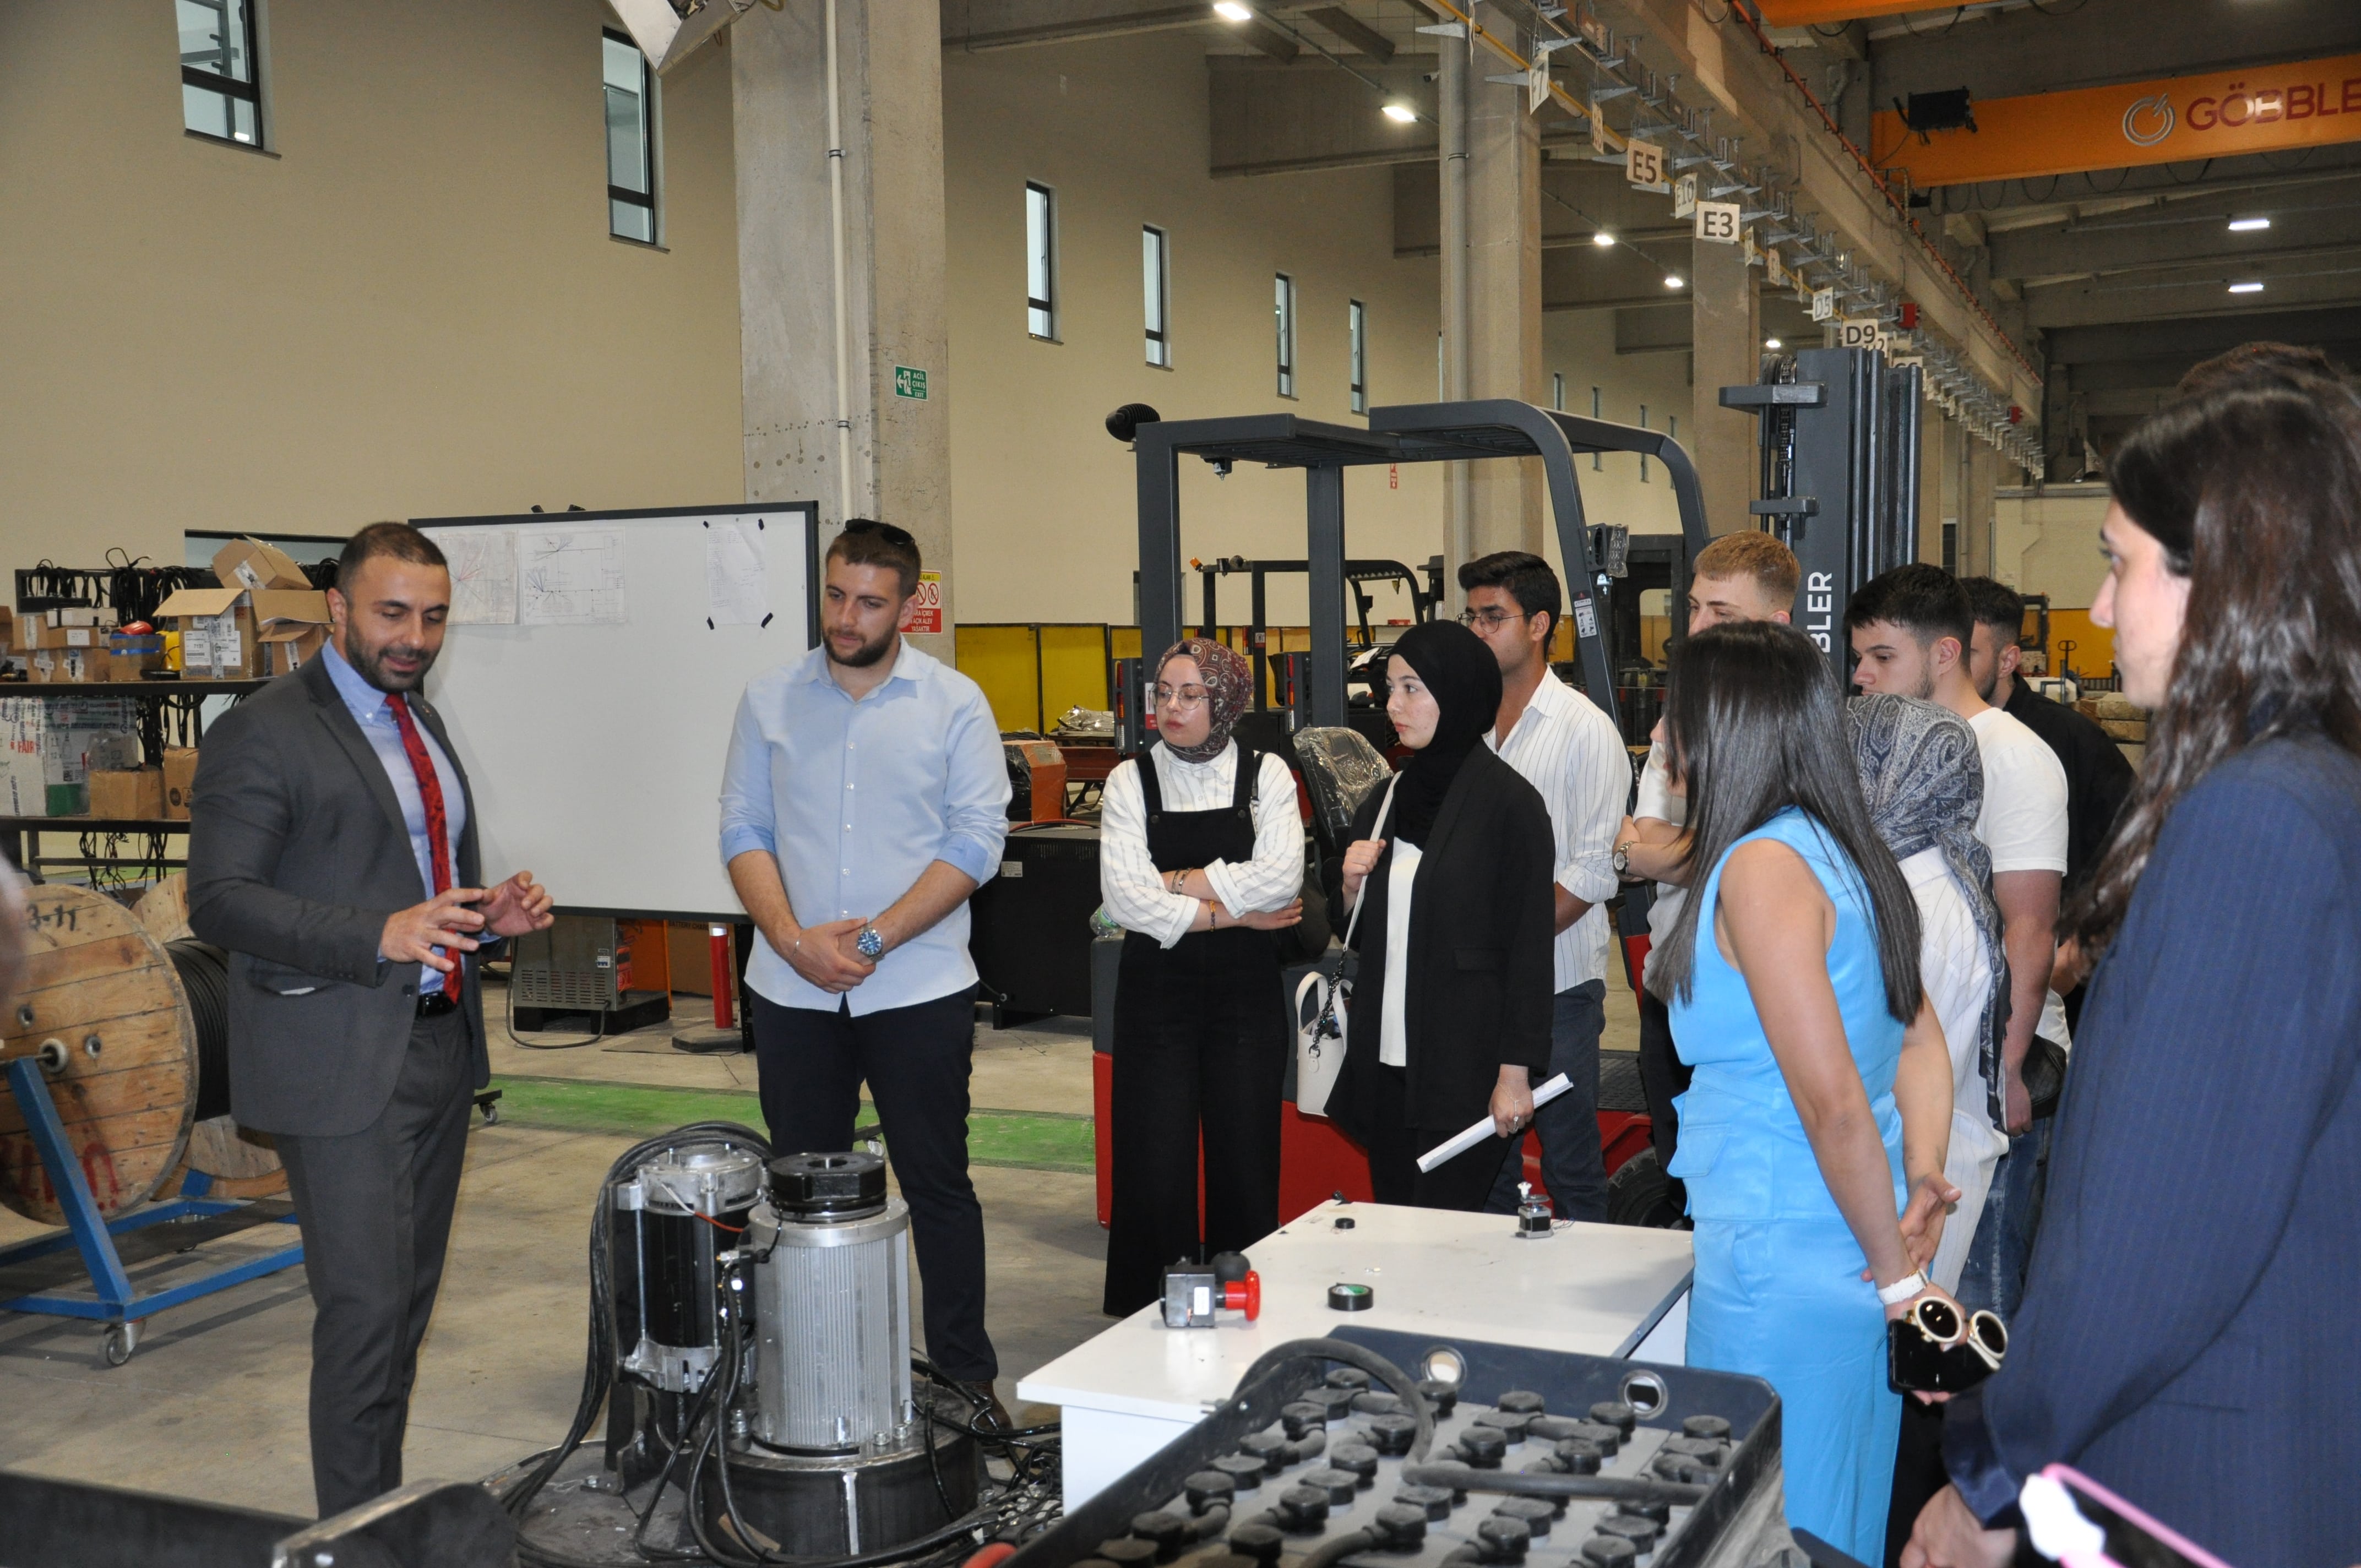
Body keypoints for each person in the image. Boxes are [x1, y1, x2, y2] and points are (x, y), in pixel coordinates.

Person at [1906, 380, 2361, 1568]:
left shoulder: (2254, 820)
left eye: (2118, 563)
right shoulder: (2310, 784)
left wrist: (1988, 1472)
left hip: (2201, 1480)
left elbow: (2151, 1240)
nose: (2101, 606)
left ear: (2227, 576)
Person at [188, 522, 556, 1516]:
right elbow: (218, 899)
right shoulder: (263, 730)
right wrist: (379, 934)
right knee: (364, 1317)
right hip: (338, 1060)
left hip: (437, 1045)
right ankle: (354, 1541)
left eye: (434, 617)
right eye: (393, 613)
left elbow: (408, 876)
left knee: (403, 1317)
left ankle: (378, 1517)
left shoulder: (417, 719)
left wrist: (483, 918)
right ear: (337, 608)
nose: (415, 637)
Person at [1648, 620, 1957, 1567]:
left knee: (1767, 1533)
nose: (1659, 737)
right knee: (1834, 1523)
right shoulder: (1842, 852)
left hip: (1781, 1264)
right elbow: (1919, 1042)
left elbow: (1833, 1104)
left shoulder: (1761, 869)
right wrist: (1922, 1180)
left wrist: (1902, 1283)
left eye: (1671, 716)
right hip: (1848, 1245)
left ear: (1722, 728)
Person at [717, 518, 1013, 1424]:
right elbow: (743, 828)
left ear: (908, 606)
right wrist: (791, 938)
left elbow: (977, 840)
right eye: (836, 595)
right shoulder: (768, 700)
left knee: (937, 1183)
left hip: (917, 987)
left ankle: (965, 1378)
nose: (847, 618)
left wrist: (873, 940)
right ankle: (815, 1376)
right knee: (800, 1191)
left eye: (871, 602)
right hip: (792, 989)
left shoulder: (955, 703)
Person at [1847, 564, 2066, 1323]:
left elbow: (2028, 928)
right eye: (1858, 658)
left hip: (1986, 1068)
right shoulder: (1890, 754)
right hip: (1926, 1076)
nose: (1862, 676)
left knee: (1975, 1296)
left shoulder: (2013, 756)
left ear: (1945, 653)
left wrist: (2007, 1068)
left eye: (1882, 657)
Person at [1096, 637, 1305, 1316]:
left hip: (1245, 999)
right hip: (1155, 996)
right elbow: (1123, 899)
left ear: (1227, 700)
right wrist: (1232, 915)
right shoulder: (1129, 780)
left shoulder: (1267, 774)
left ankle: (1238, 1299)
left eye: (1191, 695)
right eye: (1163, 693)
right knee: (1153, 1157)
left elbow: (1282, 879)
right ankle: (1149, 1309)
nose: (1172, 707)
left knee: (1245, 1154)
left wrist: (1172, 883)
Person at [1848, 694, 2005, 1568]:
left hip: (1918, 1181)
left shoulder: (1907, 898)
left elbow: (1898, 1056)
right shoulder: (1943, 871)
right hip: (1941, 1167)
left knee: (1902, 1391)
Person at [1324, 620, 1555, 1209]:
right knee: (1397, 1228)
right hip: (1385, 1066)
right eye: (1391, 688)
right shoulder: (1385, 799)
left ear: (1457, 693)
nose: (1393, 705)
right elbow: (1362, 932)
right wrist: (1350, 888)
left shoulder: (1511, 806)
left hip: (1462, 1073)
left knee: (1445, 1233)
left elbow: (1529, 953)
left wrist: (1514, 1075)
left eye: (1412, 688)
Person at [1616, 530, 1799, 1217]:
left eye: (1720, 613)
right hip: (1669, 978)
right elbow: (1642, 838)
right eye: (1693, 607)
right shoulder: (1679, 714)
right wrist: (1679, 850)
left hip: (1752, 1001)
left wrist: (1662, 853)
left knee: (1740, 1190)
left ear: (1775, 624)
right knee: (1681, 1176)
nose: (1695, 628)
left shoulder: (1800, 727)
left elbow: (1731, 852)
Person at [1455, 551, 1629, 1223]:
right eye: (1471, 617)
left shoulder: (1586, 731)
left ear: (1538, 625)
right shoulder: (1464, 728)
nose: (1478, 630)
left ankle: (1595, 1290)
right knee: (1488, 1163)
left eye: (1492, 617)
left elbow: (1591, 872)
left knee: (1569, 1161)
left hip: (1559, 990)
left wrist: (1508, 944)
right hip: (1478, 987)